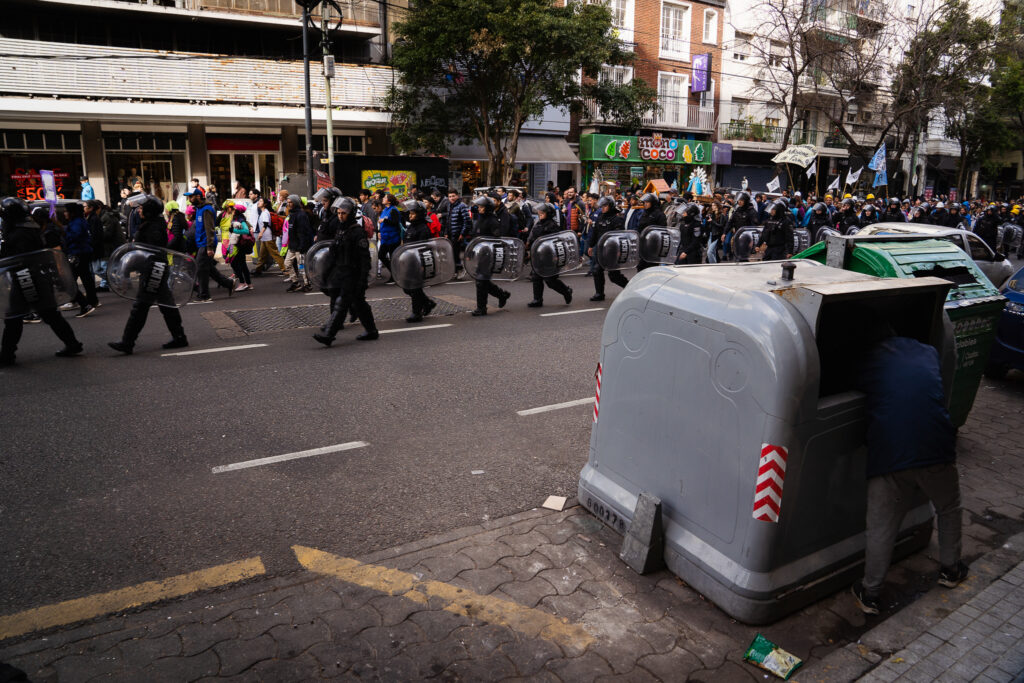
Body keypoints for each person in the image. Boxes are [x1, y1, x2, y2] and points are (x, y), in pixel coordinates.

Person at [851, 333, 967, 615]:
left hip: (890, 453)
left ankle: (870, 593)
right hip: (935, 446)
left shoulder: (867, 359)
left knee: (881, 526)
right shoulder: (928, 351)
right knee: (949, 507)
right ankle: (951, 570)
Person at [0, 197, 83, 365]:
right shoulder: (28, 227)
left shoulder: (19, 233)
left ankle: (7, 355)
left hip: (26, 277)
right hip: (35, 277)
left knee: (14, 317)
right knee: (50, 314)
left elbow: (17, 257)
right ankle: (72, 344)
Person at [108, 195, 189, 354]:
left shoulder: (153, 228)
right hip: (155, 269)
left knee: (141, 306)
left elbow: (151, 252)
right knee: (166, 305)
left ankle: (127, 342)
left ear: (149, 212)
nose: (139, 210)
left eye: (141, 208)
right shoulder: (152, 224)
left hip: (154, 270)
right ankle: (179, 337)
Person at [313, 197, 378, 345]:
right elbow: (334, 254)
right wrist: (326, 272)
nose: (340, 216)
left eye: (344, 213)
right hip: (341, 273)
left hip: (353, 274)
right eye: (339, 213)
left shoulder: (357, 232)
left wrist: (363, 280)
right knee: (359, 304)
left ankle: (329, 335)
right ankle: (372, 330)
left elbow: (364, 259)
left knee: (342, 304)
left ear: (351, 213)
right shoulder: (341, 230)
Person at [187, 190, 235, 300]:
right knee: (208, 268)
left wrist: (209, 247)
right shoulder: (199, 208)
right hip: (201, 243)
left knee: (200, 269)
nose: (189, 200)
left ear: (198, 196)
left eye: (191, 197)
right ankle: (228, 283)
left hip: (206, 244)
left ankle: (204, 295)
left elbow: (210, 229)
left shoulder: (207, 209)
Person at [467, 196, 512, 316]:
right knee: (483, 281)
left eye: (482, 207)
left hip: (488, 256)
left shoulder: (492, 220)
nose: (479, 208)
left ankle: (481, 308)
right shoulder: (480, 218)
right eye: (479, 206)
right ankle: (502, 294)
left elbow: (497, 239)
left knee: (481, 281)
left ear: (487, 208)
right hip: (480, 255)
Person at [526, 202, 573, 309]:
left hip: (549, 257)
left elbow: (558, 242)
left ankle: (566, 291)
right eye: (539, 211)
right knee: (536, 277)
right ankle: (537, 299)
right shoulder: (538, 223)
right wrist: (528, 247)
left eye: (543, 212)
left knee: (550, 281)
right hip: (538, 256)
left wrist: (557, 257)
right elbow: (532, 237)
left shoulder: (553, 226)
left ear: (549, 213)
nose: (540, 213)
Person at [400, 200, 439, 323]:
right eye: (410, 213)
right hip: (409, 261)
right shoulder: (411, 226)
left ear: (420, 214)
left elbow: (425, 249)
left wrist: (423, 264)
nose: (410, 215)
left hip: (417, 263)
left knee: (415, 288)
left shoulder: (423, 229)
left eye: (413, 213)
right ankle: (427, 303)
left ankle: (416, 314)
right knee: (407, 288)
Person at [588, 196, 629, 302]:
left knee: (614, 276)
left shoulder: (617, 219)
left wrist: (620, 251)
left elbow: (621, 237)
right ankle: (599, 294)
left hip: (612, 252)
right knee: (597, 270)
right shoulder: (600, 217)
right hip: (601, 250)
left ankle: (629, 288)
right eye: (602, 206)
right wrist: (591, 245)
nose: (603, 208)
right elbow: (595, 232)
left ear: (610, 206)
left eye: (605, 206)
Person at [62, 202, 98, 317]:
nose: (64, 213)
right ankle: (91, 301)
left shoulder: (77, 222)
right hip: (82, 252)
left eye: (66, 211)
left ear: (72, 212)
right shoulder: (79, 221)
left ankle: (82, 303)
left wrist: (63, 232)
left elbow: (75, 236)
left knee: (70, 280)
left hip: (78, 253)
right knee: (85, 277)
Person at [284, 195, 312, 292]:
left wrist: (302, 246)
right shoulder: (292, 214)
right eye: (288, 202)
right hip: (293, 245)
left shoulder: (301, 215)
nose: (289, 204)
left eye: (291, 202)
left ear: (295, 202)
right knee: (287, 264)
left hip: (300, 246)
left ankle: (307, 284)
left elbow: (303, 231)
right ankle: (295, 283)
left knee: (302, 267)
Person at [252, 197, 286, 275]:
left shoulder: (265, 213)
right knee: (262, 255)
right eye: (259, 201)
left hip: (268, 237)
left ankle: (284, 269)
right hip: (265, 237)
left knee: (275, 253)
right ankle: (258, 270)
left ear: (265, 204)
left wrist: (261, 233)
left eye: (261, 201)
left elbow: (266, 224)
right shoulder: (263, 212)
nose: (259, 202)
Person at [225, 204, 254, 292]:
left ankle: (242, 283)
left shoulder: (240, 219)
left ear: (236, 211)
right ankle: (248, 284)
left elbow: (245, 230)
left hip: (238, 245)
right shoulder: (238, 218)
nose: (232, 211)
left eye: (233, 209)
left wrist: (234, 230)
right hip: (237, 244)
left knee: (235, 263)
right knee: (242, 264)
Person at [635, 193, 668, 272]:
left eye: (647, 202)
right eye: (644, 202)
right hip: (644, 245)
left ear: (653, 202)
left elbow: (663, 231)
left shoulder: (659, 215)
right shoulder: (645, 213)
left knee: (650, 269)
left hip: (654, 247)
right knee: (641, 268)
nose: (645, 204)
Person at [377, 193, 402, 282]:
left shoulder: (393, 210)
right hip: (385, 238)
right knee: (381, 255)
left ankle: (394, 276)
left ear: (389, 201)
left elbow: (395, 223)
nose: (383, 199)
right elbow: (381, 223)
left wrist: (385, 220)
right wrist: (379, 232)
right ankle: (394, 274)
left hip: (393, 238)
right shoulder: (385, 210)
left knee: (392, 257)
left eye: (385, 198)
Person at [445, 190, 471, 278]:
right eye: (450, 196)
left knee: (456, 253)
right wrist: (446, 232)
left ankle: (460, 269)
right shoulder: (449, 206)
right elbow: (448, 221)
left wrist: (462, 234)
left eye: (453, 196)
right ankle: (455, 270)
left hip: (458, 234)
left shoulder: (462, 206)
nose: (451, 198)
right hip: (450, 233)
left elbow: (466, 221)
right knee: (451, 253)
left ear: (457, 196)